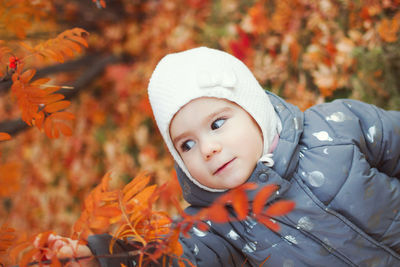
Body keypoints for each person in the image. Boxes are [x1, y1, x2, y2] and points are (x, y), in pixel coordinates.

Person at [59, 47, 400, 266]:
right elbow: (179, 262)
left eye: (217, 123)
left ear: (253, 108)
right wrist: (108, 258)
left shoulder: (335, 128)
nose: (207, 148)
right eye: (187, 145)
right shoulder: (216, 224)